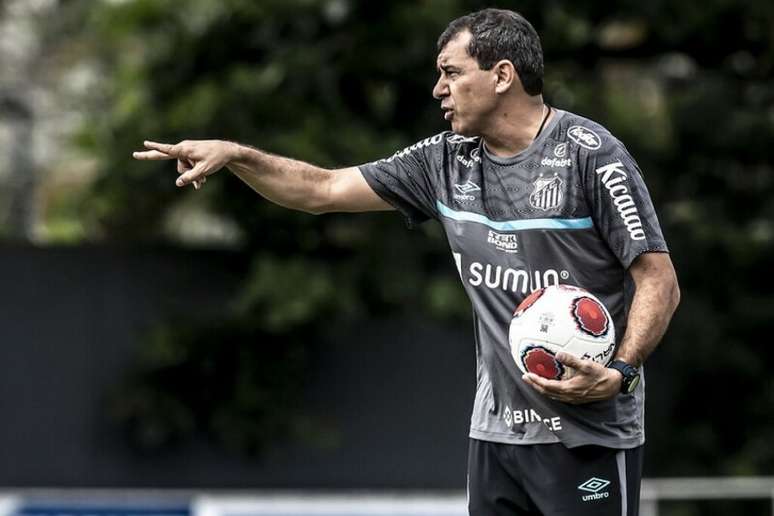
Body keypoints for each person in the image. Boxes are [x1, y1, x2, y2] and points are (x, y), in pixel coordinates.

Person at [133, 8, 679, 516]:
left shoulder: (590, 154)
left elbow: (658, 279)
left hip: (588, 437)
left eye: (451, 72)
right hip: (496, 439)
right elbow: (322, 190)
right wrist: (238, 155)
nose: (438, 89)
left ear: (503, 75)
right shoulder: (442, 161)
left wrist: (622, 373)